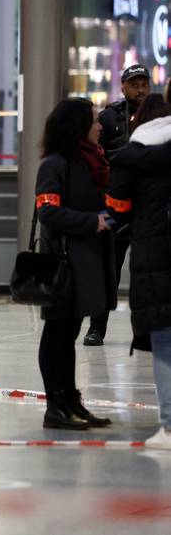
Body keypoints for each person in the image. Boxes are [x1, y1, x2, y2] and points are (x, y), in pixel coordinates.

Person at [34, 97, 116, 430]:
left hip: (86, 262)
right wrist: (91, 222)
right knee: (57, 334)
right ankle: (55, 405)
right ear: (77, 127)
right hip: (63, 265)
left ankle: (70, 400)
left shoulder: (90, 163)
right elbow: (48, 211)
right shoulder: (54, 165)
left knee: (69, 333)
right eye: (94, 121)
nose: (100, 126)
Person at [105, 93, 171, 449]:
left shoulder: (130, 157)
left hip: (152, 252)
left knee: (164, 340)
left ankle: (170, 427)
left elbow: (117, 207)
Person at [84, 63, 151, 346]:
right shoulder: (109, 118)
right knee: (108, 270)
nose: (140, 90)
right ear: (123, 87)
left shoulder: (161, 116)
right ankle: (96, 328)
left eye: (144, 84)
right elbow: (95, 158)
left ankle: (145, 331)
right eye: (134, 85)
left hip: (150, 208)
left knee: (147, 273)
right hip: (116, 207)